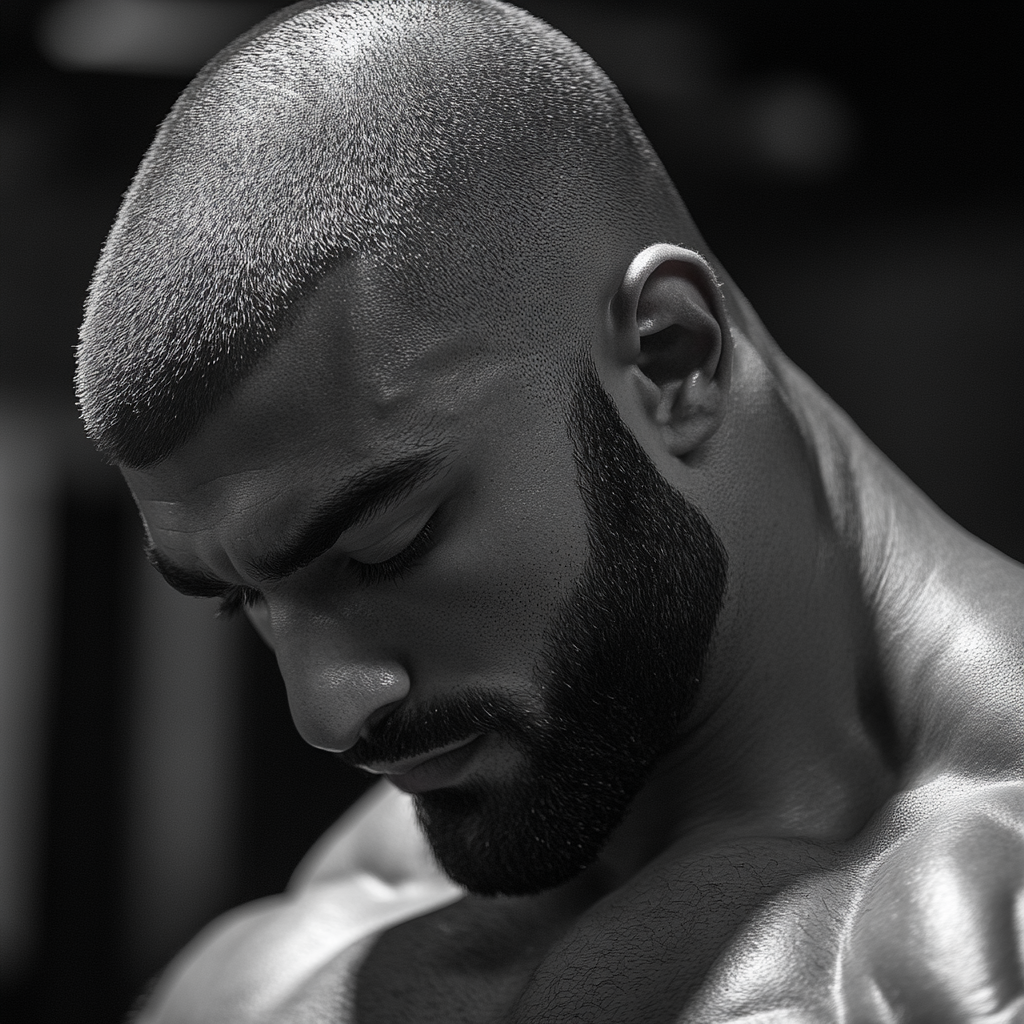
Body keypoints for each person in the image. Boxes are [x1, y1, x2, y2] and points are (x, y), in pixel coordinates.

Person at [75, 1, 1024, 1020]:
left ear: (670, 360)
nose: (326, 711)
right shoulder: (323, 930)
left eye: (384, 548)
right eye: (245, 600)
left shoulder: (980, 936)